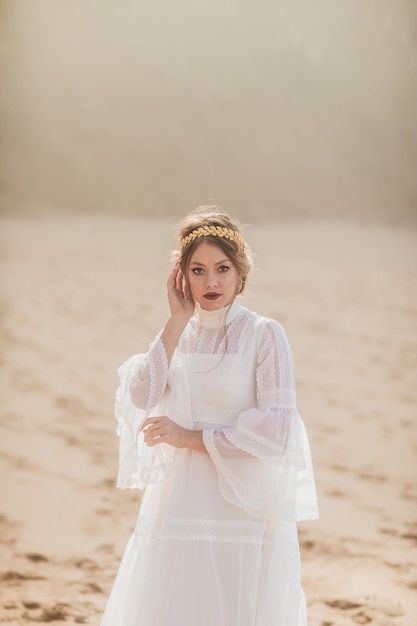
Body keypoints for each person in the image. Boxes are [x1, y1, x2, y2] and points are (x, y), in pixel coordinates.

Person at [100, 207, 319, 626]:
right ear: (182, 276)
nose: (211, 282)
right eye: (198, 270)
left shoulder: (264, 334)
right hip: (177, 501)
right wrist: (176, 319)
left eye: (222, 268)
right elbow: (142, 393)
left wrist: (188, 436)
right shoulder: (179, 336)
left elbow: (277, 429)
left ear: (241, 273)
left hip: (239, 502)